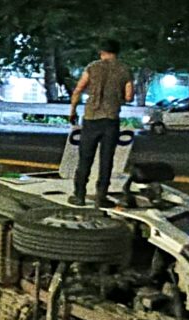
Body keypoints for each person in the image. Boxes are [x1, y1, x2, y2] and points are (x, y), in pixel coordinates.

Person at [68, 39, 134, 208]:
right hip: (111, 120)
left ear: (102, 52)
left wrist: (73, 111)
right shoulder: (124, 70)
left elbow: (78, 90)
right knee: (106, 160)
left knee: (85, 159)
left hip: (91, 118)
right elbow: (129, 97)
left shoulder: (92, 67)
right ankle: (101, 196)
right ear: (117, 52)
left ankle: (79, 195)